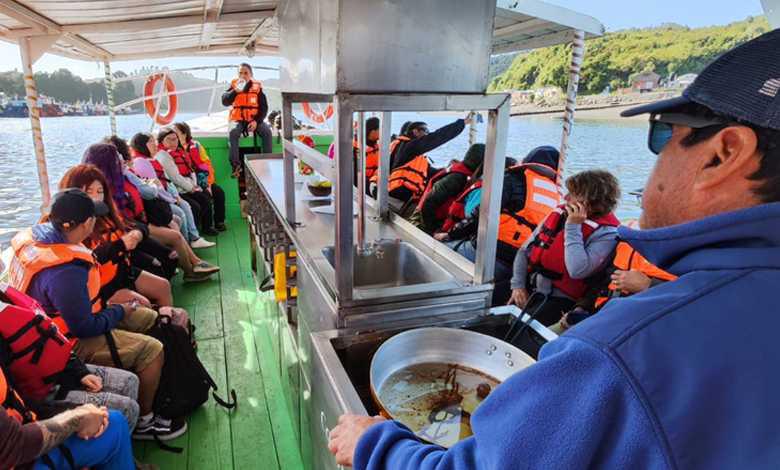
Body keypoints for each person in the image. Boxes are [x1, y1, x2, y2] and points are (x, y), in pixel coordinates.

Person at [327, 29, 780, 469]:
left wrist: (374, 445)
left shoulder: (624, 351)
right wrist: (522, 280)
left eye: (664, 134)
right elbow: (523, 252)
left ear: (724, 153)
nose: (658, 158)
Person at [7, 189, 186, 440]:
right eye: (91, 218)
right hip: (67, 344)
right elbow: (84, 327)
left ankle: (163, 387)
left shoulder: (38, 240)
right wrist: (119, 310)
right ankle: (145, 422)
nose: (95, 221)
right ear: (81, 225)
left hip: (57, 326)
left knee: (147, 316)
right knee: (152, 349)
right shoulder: (66, 271)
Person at [437, 147, 561, 305]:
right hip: (521, 264)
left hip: (491, 251)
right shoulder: (557, 194)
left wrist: (450, 235)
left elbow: (482, 214)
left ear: (528, 160)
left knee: (438, 250)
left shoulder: (512, 178)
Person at [507, 170, 620, 328]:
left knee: (518, 332)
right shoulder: (559, 214)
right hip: (532, 286)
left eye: (573, 194)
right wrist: (518, 286)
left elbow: (577, 270)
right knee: (491, 312)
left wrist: (573, 227)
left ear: (593, 201)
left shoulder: (606, 233)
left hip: (562, 300)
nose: (566, 198)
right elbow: (524, 251)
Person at [59, 163, 174, 307]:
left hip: (121, 273)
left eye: (100, 191)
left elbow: (136, 225)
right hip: (100, 287)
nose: (96, 198)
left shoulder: (105, 214)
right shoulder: (72, 226)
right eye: (89, 192)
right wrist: (121, 245)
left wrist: (137, 234)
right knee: (144, 305)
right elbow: (86, 260)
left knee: (163, 286)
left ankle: (168, 322)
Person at [1, 363, 148, 470]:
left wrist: (75, 409)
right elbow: (15, 445)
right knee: (116, 423)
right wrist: (77, 417)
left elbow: (20, 400)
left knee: (115, 410)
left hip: (29, 423)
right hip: (24, 457)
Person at [370, 116, 470, 204]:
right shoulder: (409, 147)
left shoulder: (403, 148)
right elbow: (437, 137)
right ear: (415, 131)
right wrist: (461, 123)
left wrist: (449, 168)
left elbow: (430, 172)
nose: (427, 134)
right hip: (393, 195)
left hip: (385, 191)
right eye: (425, 130)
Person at [156, 127, 218, 236]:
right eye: (169, 139)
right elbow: (175, 177)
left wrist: (194, 185)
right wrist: (191, 188)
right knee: (195, 206)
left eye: (175, 139)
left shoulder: (180, 152)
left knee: (206, 197)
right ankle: (193, 235)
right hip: (178, 190)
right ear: (162, 141)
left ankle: (206, 227)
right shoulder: (163, 156)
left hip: (188, 185)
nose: (173, 142)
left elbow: (190, 170)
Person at [413, 143, 484, 234]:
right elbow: (429, 202)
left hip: (435, 219)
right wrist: (431, 230)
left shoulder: (463, 173)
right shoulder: (457, 178)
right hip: (424, 222)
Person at [173, 121, 227, 231]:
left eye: (176, 132)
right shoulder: (173, 150)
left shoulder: (196, 146)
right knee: (204, 197)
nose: (173, 135)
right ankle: (206, 225)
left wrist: (209, 184)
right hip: (187, 183)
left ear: (184, 134)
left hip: (203, 179)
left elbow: (207, 166)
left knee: (219, 192)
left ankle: (219, 221)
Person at [222, 63, 272, 176]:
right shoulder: (234, 86)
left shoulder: (257, 88)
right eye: (240, 73)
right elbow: (225, 101)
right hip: (238, 120)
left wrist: (256, 121)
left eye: (246, 73)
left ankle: (268, 161)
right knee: (233, 132)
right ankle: (236, 166)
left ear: (251, 75)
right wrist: (235, 91)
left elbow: (264, 108)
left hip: (254, 119)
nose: (243, 75)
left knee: (267, 132)